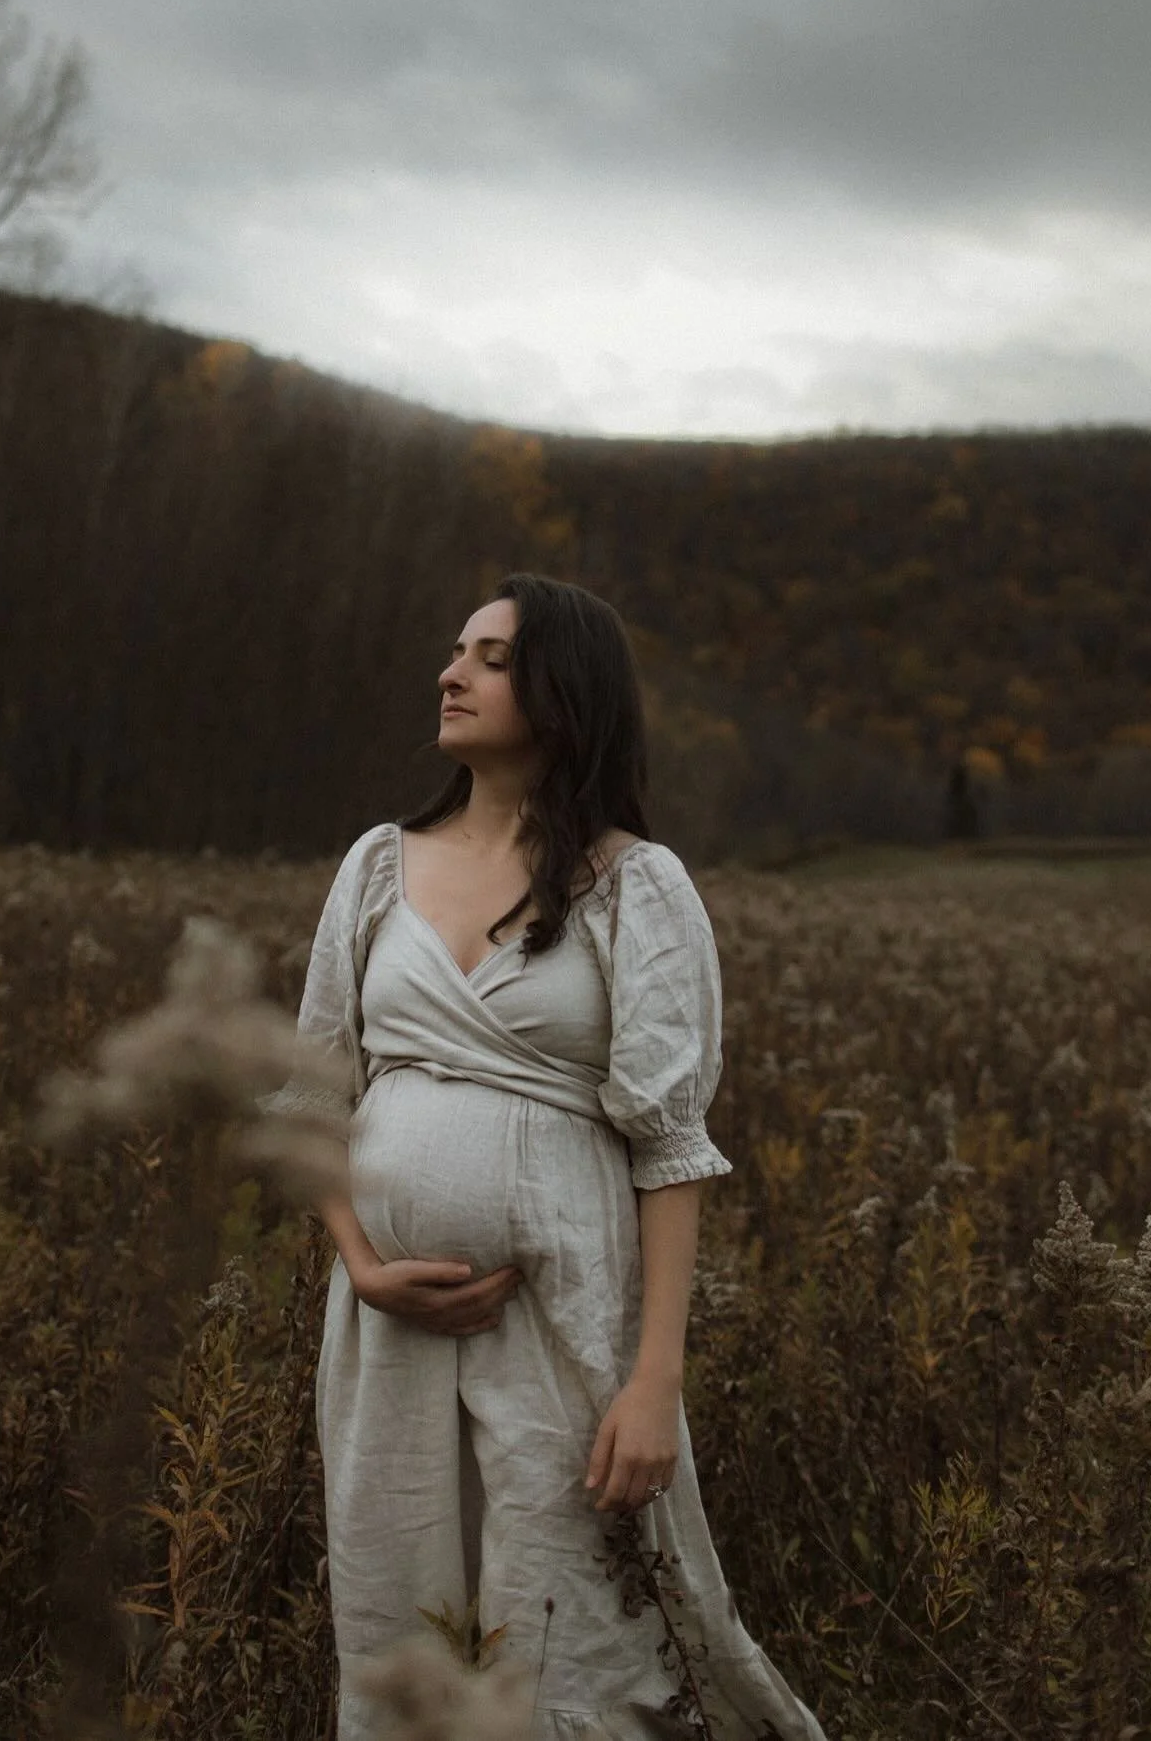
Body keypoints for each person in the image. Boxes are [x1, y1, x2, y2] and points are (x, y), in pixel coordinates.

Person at [280, 573, 826, 1739]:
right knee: (400, 1627)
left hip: (566, 1312)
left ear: (564, 692)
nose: (451, 671)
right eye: (455, 649)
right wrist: (363, 1263)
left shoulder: (637, 886)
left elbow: (670, 1146)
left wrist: (655, 1381)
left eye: (489, 655)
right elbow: (312, 1095)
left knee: (569, 1634)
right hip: (385, 1323)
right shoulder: (377, 865)